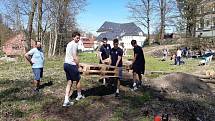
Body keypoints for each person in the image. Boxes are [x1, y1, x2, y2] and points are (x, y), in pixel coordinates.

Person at [63, 31, 85, 107]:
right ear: (73, 37)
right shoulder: (74, 44)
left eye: (79, 38)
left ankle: (66, 101)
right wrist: (78, 67)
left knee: (69, 82)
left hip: (65, 64)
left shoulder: (69, 44)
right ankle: (79, 95)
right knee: (78, 79)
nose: (78, 39)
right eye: (77, 38)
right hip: (71, 65)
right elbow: (75, 57)